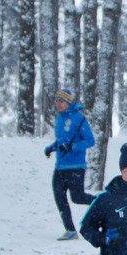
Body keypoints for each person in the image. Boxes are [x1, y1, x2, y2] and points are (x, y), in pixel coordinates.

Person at [45, 87, 96, 240]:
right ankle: (70, 230)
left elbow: (90, 140)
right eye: (56, 100)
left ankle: (102, 202)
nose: (58, 104)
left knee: (77, 197)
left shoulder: (79, 118)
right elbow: (62, 140)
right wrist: (52, 147)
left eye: (61, 101)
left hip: (75, 166)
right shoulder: (59, 118)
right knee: (59, 197)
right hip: (60, 166)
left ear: (68, 102)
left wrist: (72, 147)